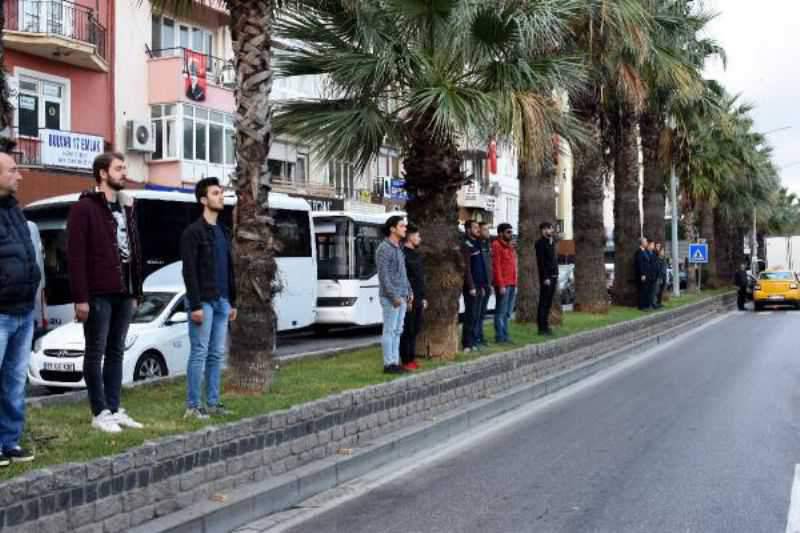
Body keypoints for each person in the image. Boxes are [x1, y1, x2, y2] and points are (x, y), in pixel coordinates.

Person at [67, 152, 144, 433]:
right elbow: (75, 256)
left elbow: (135, 251)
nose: (124, 173)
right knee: (95, 351)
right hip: (98, 293)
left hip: (125, 291)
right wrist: (81, 298)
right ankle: (99, 412)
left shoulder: (126, 207)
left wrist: (137, 291)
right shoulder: (84, 208)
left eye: (124, 168)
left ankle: (114, 407)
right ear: (102, 173)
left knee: (116, 351)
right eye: (119, 168)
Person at [180, 177, 238, 419]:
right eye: (215, 193)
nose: (221, 196)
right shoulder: (193, 232)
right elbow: (189, 270)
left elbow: (230, 268)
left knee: (216, 354)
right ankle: (193, 406)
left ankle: (213, 403)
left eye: (221, 192)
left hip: (223, 300)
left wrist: (232, 301)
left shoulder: (224, 232)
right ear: (204, 199)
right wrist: (195, 305)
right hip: (203, 301)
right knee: (200, 352)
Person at [0, 152, 41, 465]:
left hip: (23, 310)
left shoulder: (14, 210)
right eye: (13, 170)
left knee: (15, 381)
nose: (20, 175)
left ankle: (10, 442)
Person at [376, 216, 412, 374]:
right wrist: (393, 296)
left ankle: (395, 362)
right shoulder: (384, 248)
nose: (405, 229)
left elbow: (403, 274)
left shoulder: (399, 248)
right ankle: (388, 364)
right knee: (389, 330)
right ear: (392, 229)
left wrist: (409, 292)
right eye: (402, 226)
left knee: (398, 330)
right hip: (391, 298)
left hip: (402, 296)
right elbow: (384, 276)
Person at [400, 224, 426, 371]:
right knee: (407, 328)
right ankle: (405, 358)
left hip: (418, 296)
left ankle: (412, 357)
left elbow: (421, 277)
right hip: (409, 296)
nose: (419, 238)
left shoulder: (417, 254)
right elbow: (405, 277)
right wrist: (407, 296)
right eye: (417, 235)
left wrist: (423, 296)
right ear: (410, 236)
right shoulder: (403, 254)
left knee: (415, 328)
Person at [461, 220, 489, 351]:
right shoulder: (466, 244)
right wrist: (471, 286)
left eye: (478, 227)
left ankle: (474, 341)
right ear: (467, 229)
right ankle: (467, 343)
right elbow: (467, 268)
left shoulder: (478, 243)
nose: (478, 229)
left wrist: (483, 285)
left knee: (477, 315)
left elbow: (482, 267)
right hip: (471, 286)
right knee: (470, 314)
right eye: (475, 227)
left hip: (480, 285)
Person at [492, 223, 517, 344]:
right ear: (500, 233)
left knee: (507, 312)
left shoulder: (509, 247)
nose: (510, 234)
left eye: (511, 232)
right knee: (500, 312)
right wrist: (501, 285)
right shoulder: (496, 245)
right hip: (503, 285)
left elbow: (512, 265)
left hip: (512, 283)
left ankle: (505, 336)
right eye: (508, 232)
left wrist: (514, 282)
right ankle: (500, 336)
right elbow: (496, 266)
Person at [535, 222, 559, 335]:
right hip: (547, 277)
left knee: (548, 303)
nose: (551, 231)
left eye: (551, 229)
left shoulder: (551, 242)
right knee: (543, 303)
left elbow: (552, 260)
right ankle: (541, 328)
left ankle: (546, 326)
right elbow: (541, 262)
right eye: (549, 229)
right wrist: (545, 277)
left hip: (553, 275)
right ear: (543, 230)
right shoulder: (540, 243)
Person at [476, 222, 493, 347]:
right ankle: (476, 338)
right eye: (485, 229)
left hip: (487, 283)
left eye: (488, 229)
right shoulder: (477, 244)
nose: (488, 232)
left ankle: (481, 337)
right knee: (477, 313)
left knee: (482, 314)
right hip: (479, 284)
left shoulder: (487, 244)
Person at [634, 238, 651, 310]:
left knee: (646, 290)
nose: (647, 243)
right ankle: (641, 306)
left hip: (647, 274)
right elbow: (640, 264)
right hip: (642, 275)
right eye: (645, 242)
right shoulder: (639, 252)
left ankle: (646, 305)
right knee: (642, 290)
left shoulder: (645, 251)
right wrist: (642, 274)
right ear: (642, 243)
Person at [654, 243, 667, 308]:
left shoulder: (663, 259)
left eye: (663, 251)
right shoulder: (657, 259)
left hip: (664, 276)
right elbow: (658, 268)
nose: (663, 252)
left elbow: (664, 268)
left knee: (661, 291)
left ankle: (659, 302)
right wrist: (660, 276)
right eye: (662, 251)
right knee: (657, 290)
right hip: (659, 276)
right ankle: (655, 303)